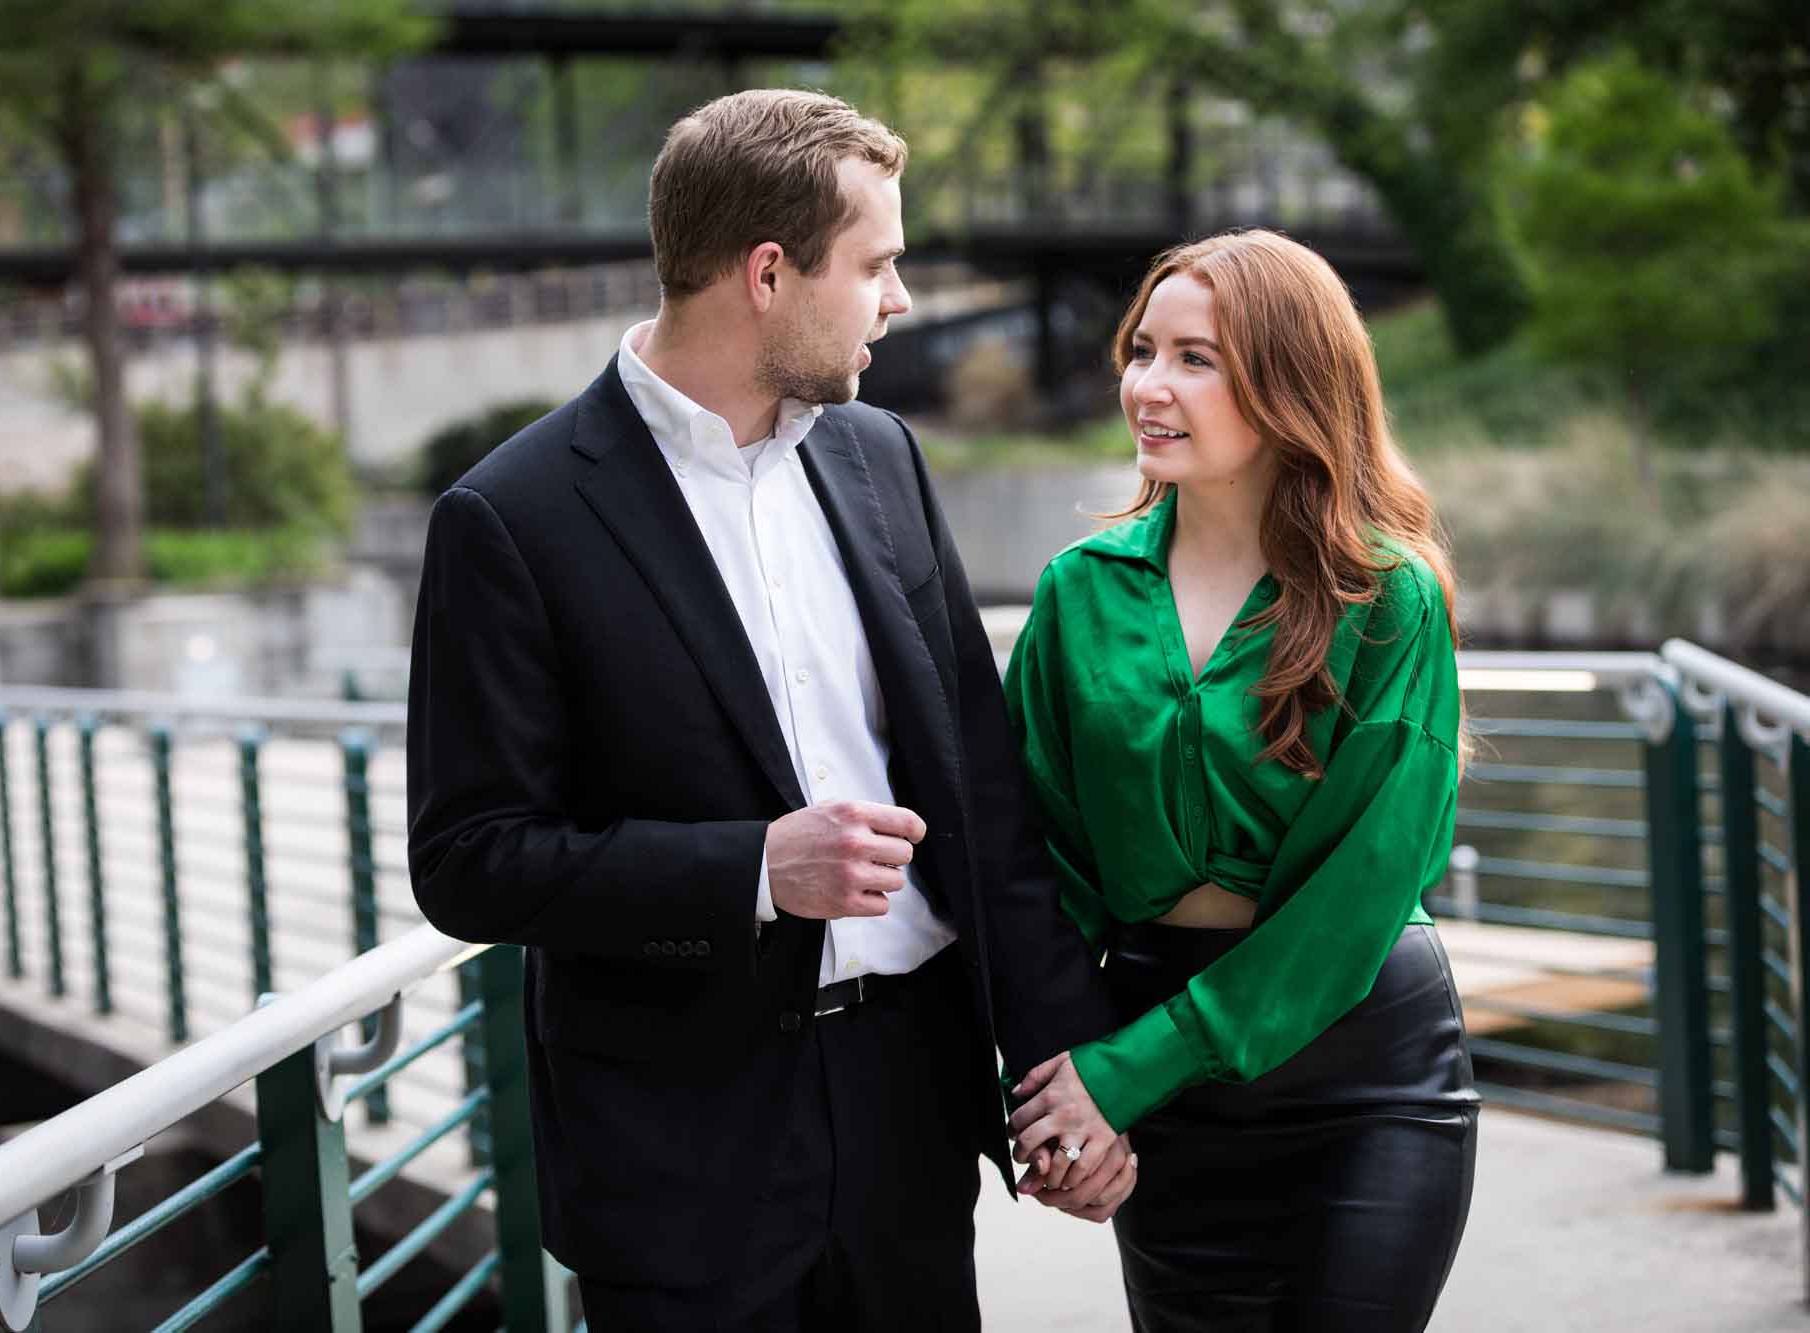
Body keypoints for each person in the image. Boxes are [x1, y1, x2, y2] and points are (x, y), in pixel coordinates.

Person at [405, 89, 1131, 1332]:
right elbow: (467, 860)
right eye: (877, 264)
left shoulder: (880, 457)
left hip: (907, 1102)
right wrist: (751, 869)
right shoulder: (510, 518)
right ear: (766, 273)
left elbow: (980, 797)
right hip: (679, 1150)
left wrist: (1076, 1071)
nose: (899, 299)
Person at [1002, 228, 1481, 1331]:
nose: (1147, 387)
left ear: (1289, 384)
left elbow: (1364, 886)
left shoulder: (1387, 597)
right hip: (1158, 1088)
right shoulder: (1077, 594)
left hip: (1364, 1077)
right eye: (1140, 350)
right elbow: (1039, 865)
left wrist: (1124, 1069)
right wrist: (1064, 1089)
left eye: (1194, 359)